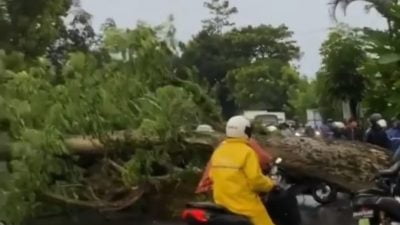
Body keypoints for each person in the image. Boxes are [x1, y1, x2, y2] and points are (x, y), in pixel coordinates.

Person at [208, 116, 276, 225]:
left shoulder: (219, 151)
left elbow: (212, 176)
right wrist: (271, 185)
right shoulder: (247, 152)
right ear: (246, 131)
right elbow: (256, 180)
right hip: (244, 205)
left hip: (222, 204)